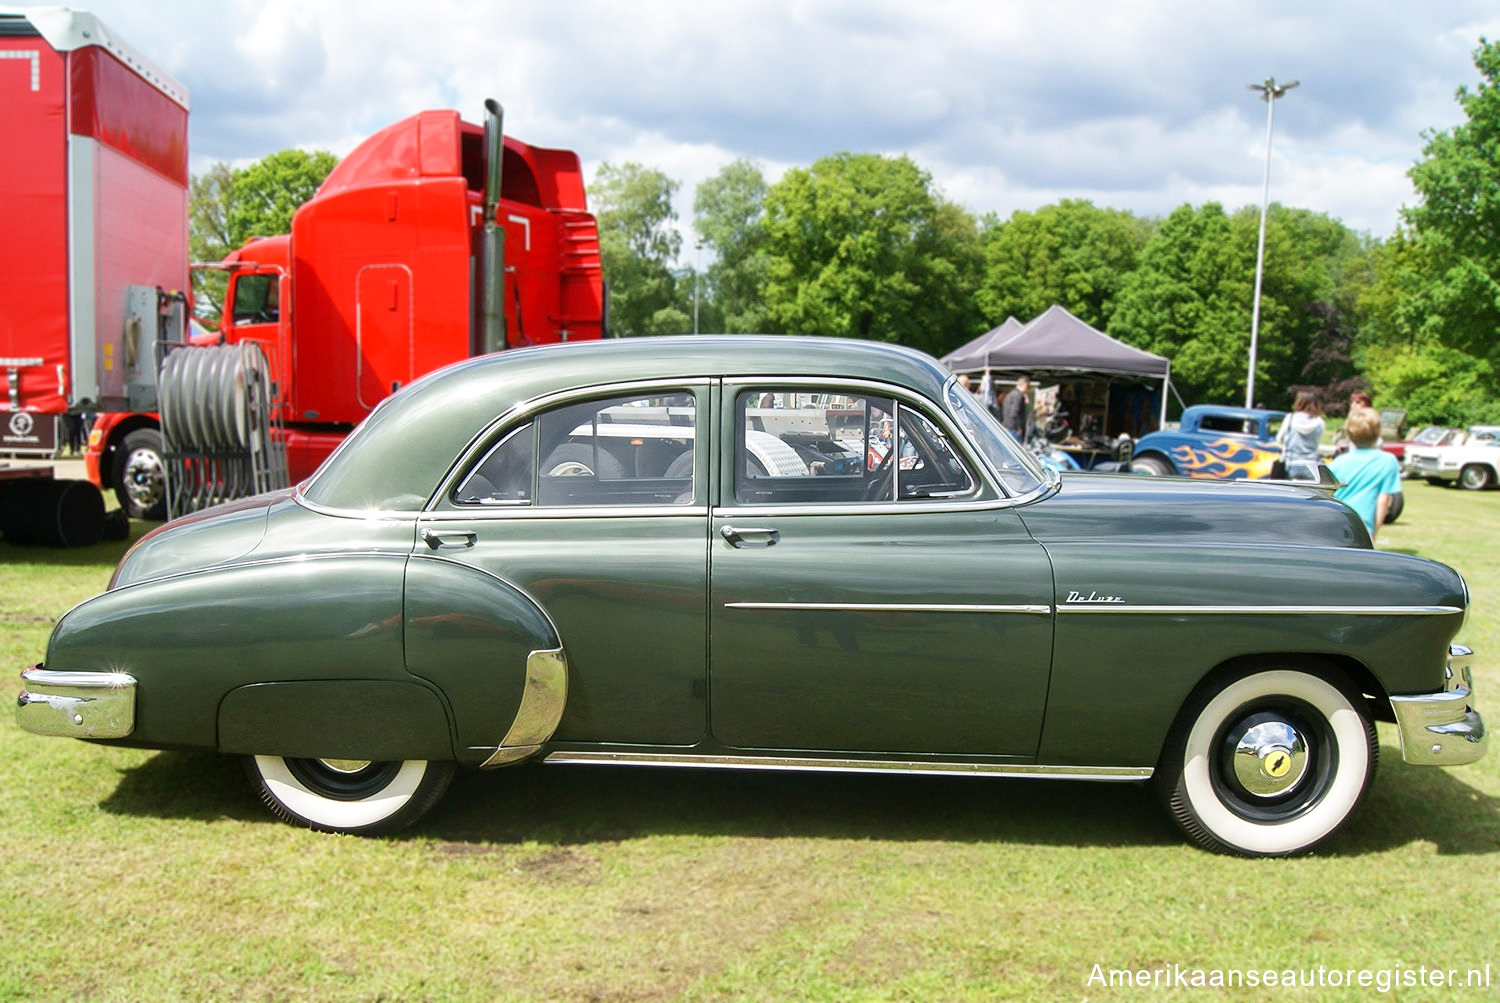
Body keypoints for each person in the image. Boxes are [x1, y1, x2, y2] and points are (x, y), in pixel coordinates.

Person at [1329, 406, 1402, 542]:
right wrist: (1374, 534)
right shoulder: (1387, 461)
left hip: (1335, 525)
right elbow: (1383, 500)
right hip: (1363, 528)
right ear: (1378, 432)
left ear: (1349, 434)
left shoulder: (1337, 463)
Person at [1275, 390, 1325, 476]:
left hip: (1291, 464)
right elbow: (1317, 445)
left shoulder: (1290, 418)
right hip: (1311, 465)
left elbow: (1279, 439)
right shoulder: (1320, 422)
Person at [1000, 375, 1030, 440]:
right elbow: (1015, 412)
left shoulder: (1010, 394)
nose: (1028, 389)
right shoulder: (1018, 395)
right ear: (1025, 385)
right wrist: (1018, 428)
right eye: (1028, 387)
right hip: (1014, 429)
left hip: (1007, 426)